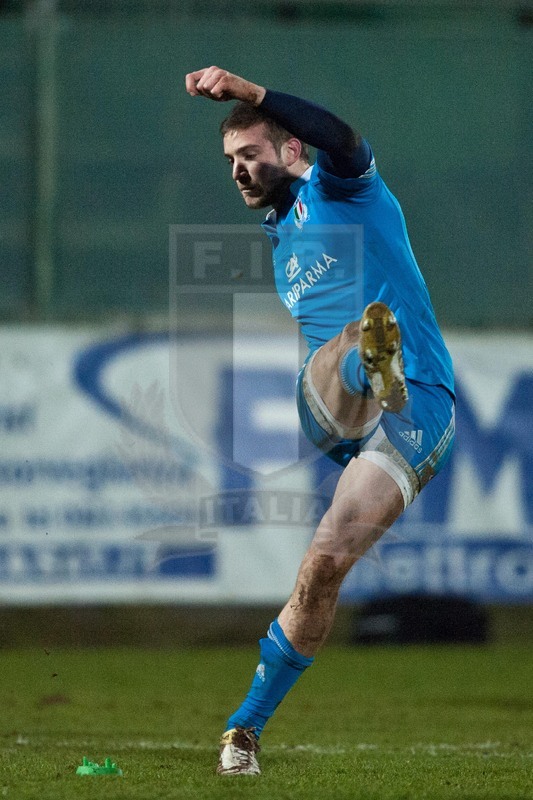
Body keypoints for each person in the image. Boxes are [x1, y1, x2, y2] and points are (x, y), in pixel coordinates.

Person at [184, 66, 455, 776]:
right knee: (348, 343)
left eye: (251, 154)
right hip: (328, 407)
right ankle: (371, 360)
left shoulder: (343, 187)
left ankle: (242, 731)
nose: (239, 170)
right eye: (231, 161)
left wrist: (252, 94)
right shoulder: (280, 234)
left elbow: (342, 136)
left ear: (292, 150)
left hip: (417, 407)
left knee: (323, 566)